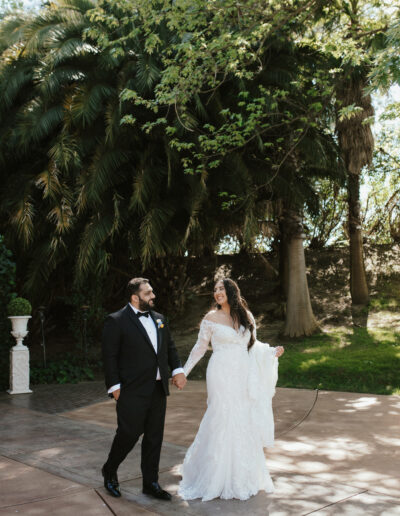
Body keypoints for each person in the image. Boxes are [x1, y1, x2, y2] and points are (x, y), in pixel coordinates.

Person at [178, 278, 284, 502]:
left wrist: (271, 352)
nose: (217, 293)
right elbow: (199, 349)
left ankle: (243, 476)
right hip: (220, 372)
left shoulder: (245, 315)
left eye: (221, 289)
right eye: (214, 290)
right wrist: (183, 372)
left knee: (243, 418)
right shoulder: (210, 318)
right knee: (221, 415)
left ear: (231, 292)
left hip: (243, 374)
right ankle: (214, 476)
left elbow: (253, 345)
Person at [101, 277, 187, 501]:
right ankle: (109, 470)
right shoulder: (116, 320)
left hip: (158, 389)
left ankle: (151, 483)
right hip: (131, 390)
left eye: (152, 292)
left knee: (154, 438)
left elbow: (169, 347)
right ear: (135, 297)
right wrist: (114, 387)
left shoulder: (159, 319)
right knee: (128, 434)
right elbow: (109, 357)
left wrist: (177, 369)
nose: (153, 296)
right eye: (148, 293)